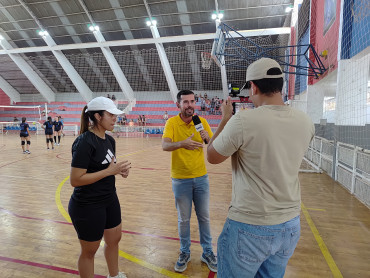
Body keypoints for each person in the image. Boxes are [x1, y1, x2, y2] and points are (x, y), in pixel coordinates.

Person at [207, 58, 315, 278]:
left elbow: (212, 156)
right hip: (290, 224)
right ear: (281, 86)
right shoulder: (305, 121)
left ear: (254, 86)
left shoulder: (244, 121)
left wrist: (225, 119)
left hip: (250, 224)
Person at [68, 96, 131, 278]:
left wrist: (120, 171)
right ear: (97, 117)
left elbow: (110, 167)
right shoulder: (84, 142)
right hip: (88, 205)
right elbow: (76, 179)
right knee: (89, 251)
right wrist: (109, 172)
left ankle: (114, 275)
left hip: (109, 199)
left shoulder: (110, 141)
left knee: (114, 240)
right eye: (110, 115)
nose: (115, 118)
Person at [162, 90, 217, 273]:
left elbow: (211, 142)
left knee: (204, 217)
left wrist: (207, 138)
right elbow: (165, 145)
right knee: (183, 220)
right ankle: (184, 252)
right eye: (185, 102)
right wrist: (182, 143)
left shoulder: (201, 122)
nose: (190, 105)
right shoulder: (172, 123)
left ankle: (207, 252)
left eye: (192, 101)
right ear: (178, 105)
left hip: (201, 178)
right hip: (180, 180)